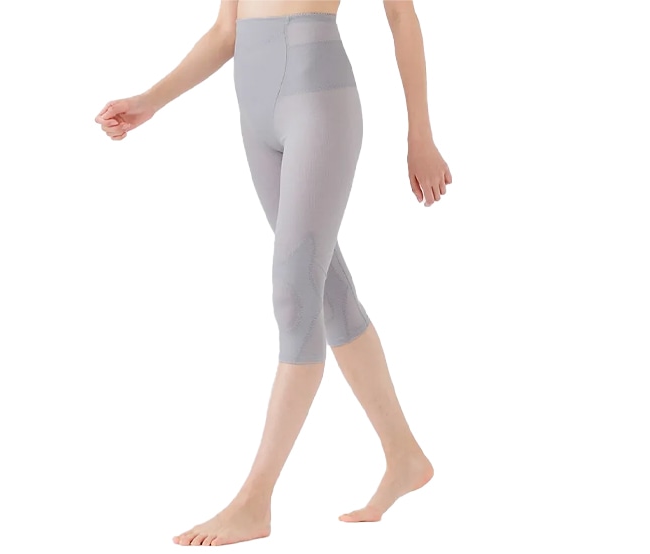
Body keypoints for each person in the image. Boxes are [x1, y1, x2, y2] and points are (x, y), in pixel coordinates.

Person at [94, 0, 452, 547]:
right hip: (256, 110)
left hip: (319, 101)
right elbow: (225, 30)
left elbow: (401, 16)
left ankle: (254, 500)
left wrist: (419, 136)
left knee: (294, 292)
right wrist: (150, 101)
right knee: (327, 293)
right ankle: (404, 455)